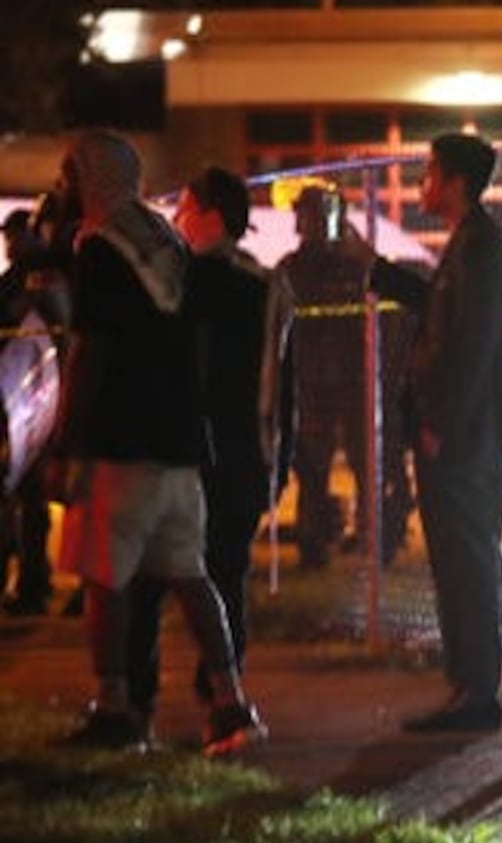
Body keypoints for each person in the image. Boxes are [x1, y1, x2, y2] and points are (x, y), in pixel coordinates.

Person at [52, 130, 265, 754]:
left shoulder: (101, 247)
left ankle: (115, 708)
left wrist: (69, 443)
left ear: (92, 179)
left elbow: (95, 349)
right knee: (190, 574)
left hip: (122, 440)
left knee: (104, 577)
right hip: (181, 440)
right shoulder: (162, 236)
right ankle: (231, 703)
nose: (63, 186)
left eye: (70, 174)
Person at [351, 132, 502, 732]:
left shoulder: (483, 247)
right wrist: (386, 278)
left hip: (464, 438)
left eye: (429, 173)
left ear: (454, 182)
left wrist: (441, 425)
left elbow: (474, 346)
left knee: (467, 561)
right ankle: (471, 686)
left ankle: (477, 693)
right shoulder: (473, 244)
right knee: (460, 561)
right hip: (462, 433)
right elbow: (449, 312)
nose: (422, 184)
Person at [125, 166, 296, 720]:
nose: (177, 219)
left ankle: (138, 691)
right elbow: (286, 385)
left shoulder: (176, 284)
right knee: (224, 575)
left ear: (213, 217)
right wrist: (280, 461)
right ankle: (221, 689)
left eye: (188, 208)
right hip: (243, 459)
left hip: (183, 457)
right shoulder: (267, 288)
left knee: (151, 577)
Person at [277, 184, 412, 568]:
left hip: (356, 382)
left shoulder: (358, 268)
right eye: (305, 215)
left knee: (367, 464)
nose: (310, 224)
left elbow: (390, 321)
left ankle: (376, 540)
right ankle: (314, 542)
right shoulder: (291, 270)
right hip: (312, 383)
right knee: (312, 467)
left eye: (317, 215)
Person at [0, 207, 59, 617]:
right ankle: (32, 581)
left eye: (14, 235)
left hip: (32, 403)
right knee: (25, 498)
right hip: (21, 401)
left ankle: (34, 583)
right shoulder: (17, 281)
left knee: (28, 498)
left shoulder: (39, 281)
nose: (9, 243)